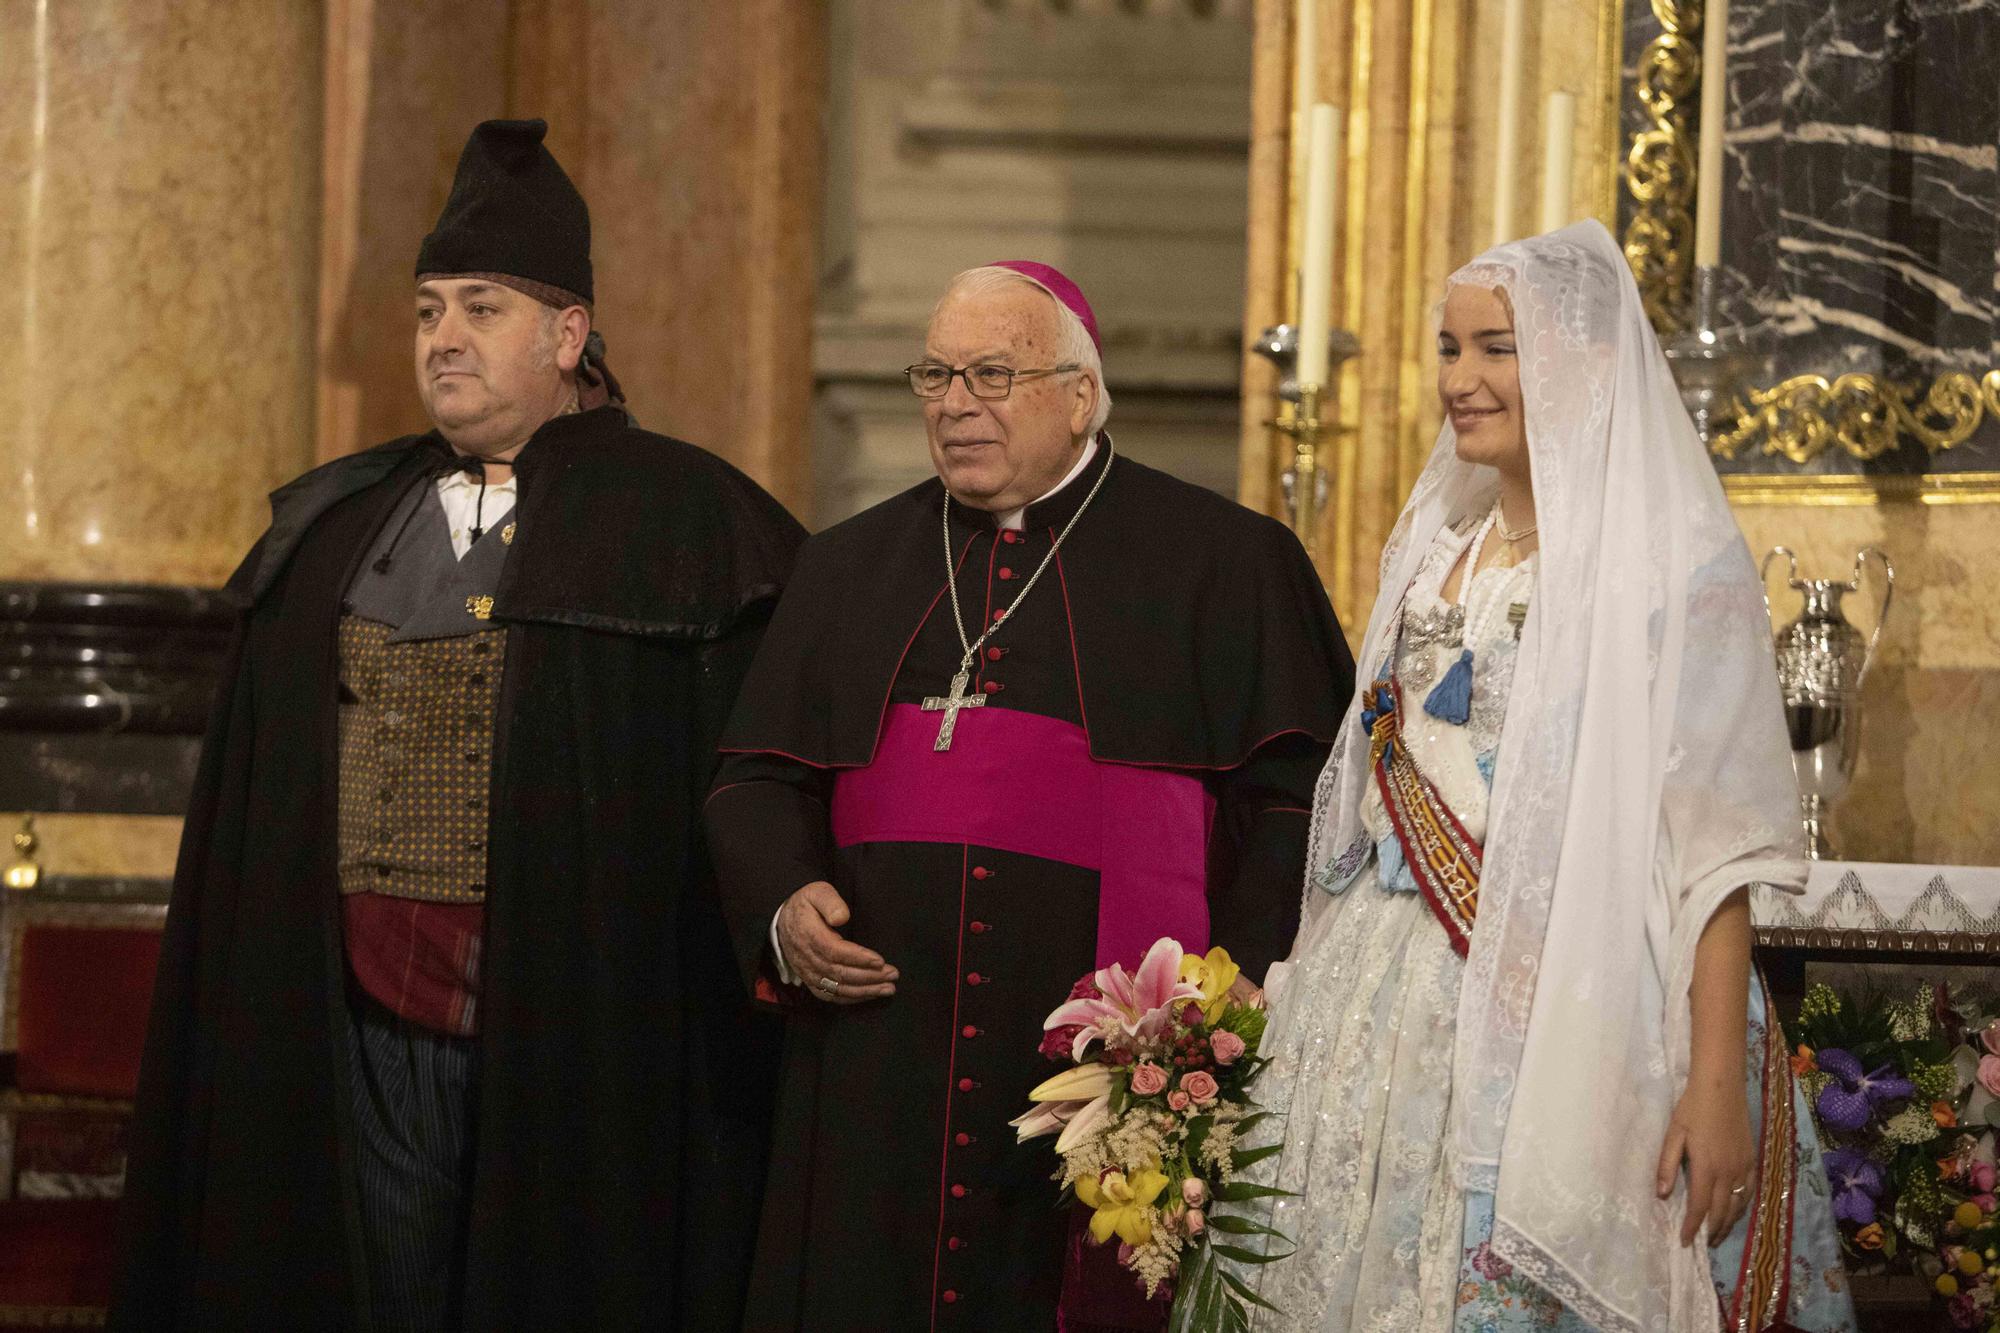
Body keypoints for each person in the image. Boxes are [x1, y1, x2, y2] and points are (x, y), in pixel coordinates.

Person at [111, 119, 803, 1331]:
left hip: (579, 1026)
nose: (444, 338)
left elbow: (750, 784)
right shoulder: (339, 522)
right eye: (429, 310)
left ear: (569, 335)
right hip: (360, 1016)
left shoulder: (689, 522)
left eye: (481, 309)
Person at [1226, 221, 1856, 1332]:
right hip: (1379, 993)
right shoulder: (1432, 546)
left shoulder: (1667, 568)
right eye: (1447, 349)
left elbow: (1707, 851)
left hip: (1577, 994)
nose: (1459, 381)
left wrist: (1713, 1080)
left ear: (1583, 362)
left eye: (1494, 349)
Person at [704, 261, 1355, 1331]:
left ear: (1078, 395)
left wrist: (1214, 1015)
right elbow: (753, 777)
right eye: (935, 374)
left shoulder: (1224, 562)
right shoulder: (844, 564)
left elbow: (1292, 805)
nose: (953, 403)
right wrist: (782, 903)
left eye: (991, 375)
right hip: (879, 1045)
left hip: (1107, 1053)